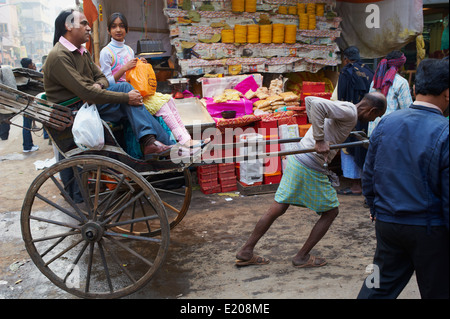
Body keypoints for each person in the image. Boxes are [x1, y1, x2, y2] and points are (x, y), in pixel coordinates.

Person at [235, 92, 387, 267]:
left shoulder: (347, 107)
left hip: (298, 159)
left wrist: (334, 135)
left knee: (279, 205)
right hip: (310, 164)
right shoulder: (350, 113)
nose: (373, 119)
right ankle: (301, 257)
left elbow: (310, 100)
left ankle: (246, 251)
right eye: (376, 116)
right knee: (331, 211)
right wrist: (320, 139)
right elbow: (315, 105)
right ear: (372, 110)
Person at [357, 58, 449, 299]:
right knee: (438, 289)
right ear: (448, 94)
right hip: (430, 229)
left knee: (376, 285)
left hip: (388, 224)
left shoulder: (386, 122)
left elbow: (369, 173)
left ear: (415, 90)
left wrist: (375, 207)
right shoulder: (445, 131)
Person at [43, 9, 173, 159]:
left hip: (88, 102)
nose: (89, 28)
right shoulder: (60, 55)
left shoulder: (81, 51)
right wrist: (125, 97)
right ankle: (160, 144)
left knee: (138, 99)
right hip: (74, 111)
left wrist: (99, 85)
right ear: (68, 26)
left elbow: (102, 77)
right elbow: (86, 92)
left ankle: (155, 143)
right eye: (84, 23)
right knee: (128, 95)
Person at [99, 12, 204, 151]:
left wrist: (140, 65)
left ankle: (187, 139)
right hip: (121, 97)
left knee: (169, 101)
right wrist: (124, 68)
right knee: (162, 106)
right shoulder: (106, 52)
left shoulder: (129, 50)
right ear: (108, 30)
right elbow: (106, 83)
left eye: (122, 26)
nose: (118, 30)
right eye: (114, 26)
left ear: (127, 29)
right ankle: (182, 142)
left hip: (135, 91)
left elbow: (133, 75)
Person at [334, 46, 374, 196]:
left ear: (345, 59)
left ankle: (355, 185)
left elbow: (341, 97)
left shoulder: (346, 71)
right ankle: (365, 183)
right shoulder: (369, 71)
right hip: (368, 116)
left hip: (351, 115)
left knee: (349, 147)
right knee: (363, 146)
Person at [368, 50, 413, 136]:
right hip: (391, 131)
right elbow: (407, 109)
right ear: (400, 66)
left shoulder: (376, 80)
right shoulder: (401, 82)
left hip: (374, 129)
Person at [20, 58, 39, 153]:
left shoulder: (23, 75)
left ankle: (29, 145)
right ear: (28, 65)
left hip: (26, 105)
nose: (33, 65)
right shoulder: (26, 76)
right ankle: (27, 146)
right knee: (27, 125)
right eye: (32, 64)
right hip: (27, 105)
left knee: (27, 125)